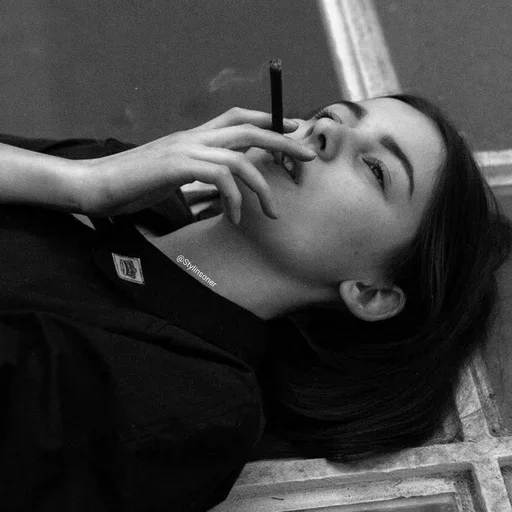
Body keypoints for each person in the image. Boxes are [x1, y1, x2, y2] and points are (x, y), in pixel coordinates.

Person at [0, 94, 510, 511]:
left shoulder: (201, 398)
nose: (324, 130)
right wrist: (79, 182)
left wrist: (83, 182)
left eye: (376, 168)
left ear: (372, 293)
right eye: (333, 116)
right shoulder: (134, 190)